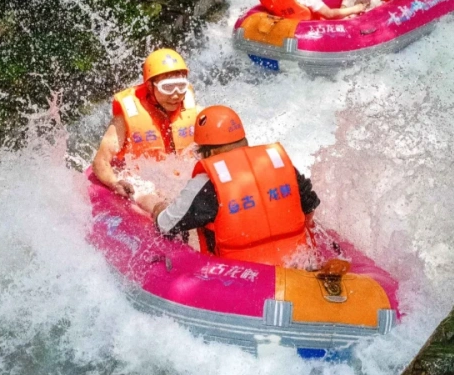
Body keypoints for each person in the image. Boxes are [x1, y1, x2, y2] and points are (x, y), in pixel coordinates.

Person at [151, 105, 321, 266]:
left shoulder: (207, 184)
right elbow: (310, 206)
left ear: (210, 152)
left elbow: (167, 225)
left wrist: (159, 206)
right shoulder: (281, 165)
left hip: (242, 276)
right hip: (299, 265)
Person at [92, 48, 199, 198]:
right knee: (151, 197)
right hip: (143, 182)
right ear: (150, 86)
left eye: (181, 86)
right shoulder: (127, 115)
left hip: (182, 177)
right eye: (167, 87)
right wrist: (115, 183)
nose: (175, 94)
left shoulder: (193, 107)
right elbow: (101, 160)